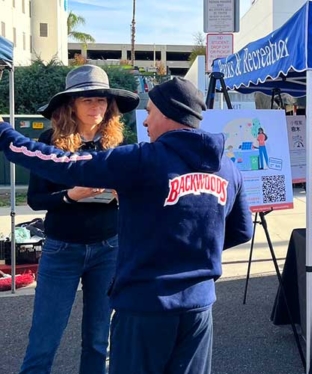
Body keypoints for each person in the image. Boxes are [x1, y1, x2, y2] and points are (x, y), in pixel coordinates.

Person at [0, 77, 253, 374]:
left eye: (150, 112)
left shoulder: (141, 160)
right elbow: (241, 230)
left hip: (144, 305)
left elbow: (61, 163)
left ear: (168, 114)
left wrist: (4, 132)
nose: (145, 122)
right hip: (199, 309)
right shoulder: (228, 167)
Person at [20, 65, 139, 374]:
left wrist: (121, 193)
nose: (96, 107)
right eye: (87, 100)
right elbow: (35, 199)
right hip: (62, 249)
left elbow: (135, 196)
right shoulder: (49, 141)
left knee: (99, 339)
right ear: (70, 104)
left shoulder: (117, 145)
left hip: (108, 249)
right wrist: (72, 195)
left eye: (101, 100)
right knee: (44, 339)